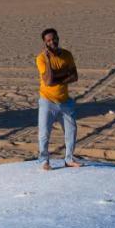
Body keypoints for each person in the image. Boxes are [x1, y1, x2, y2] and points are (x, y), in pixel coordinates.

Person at [35, 27, 82, 170]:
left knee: (71, 131)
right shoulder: (41, 58)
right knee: (44, 133)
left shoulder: (67, 55)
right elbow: (49, 81)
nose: (52, 42)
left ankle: (69, 159)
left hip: (65, 101)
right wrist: (50, 63)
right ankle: (44, 161)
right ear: (45, 43)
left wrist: (58, 77)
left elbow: (74, 76)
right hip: (47, 101)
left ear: (58, 38)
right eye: (48, 40)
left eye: (54, 38)